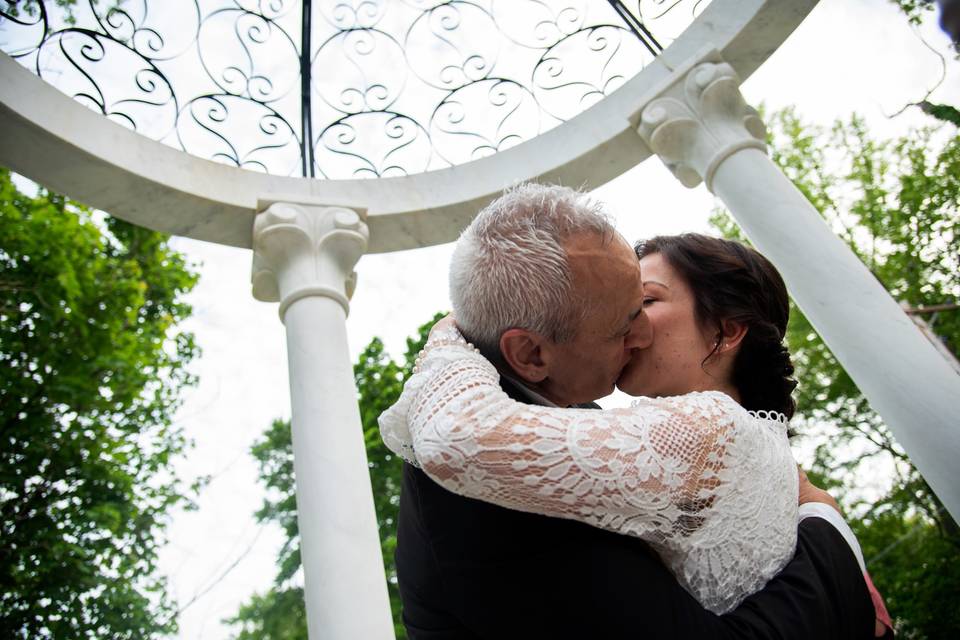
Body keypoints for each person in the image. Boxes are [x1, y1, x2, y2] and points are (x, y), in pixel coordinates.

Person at [381, 184, 880, 639]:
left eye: (645, 302)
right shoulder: (486, 492)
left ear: (726, 332)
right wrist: (829, 530)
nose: (638, 332)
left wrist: (448, 337)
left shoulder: (711, 431)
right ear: (531, 355)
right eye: (630, 311)